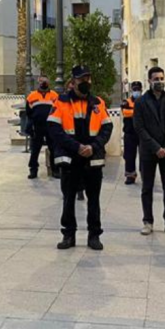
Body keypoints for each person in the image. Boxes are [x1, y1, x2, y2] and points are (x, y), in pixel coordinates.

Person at [48, 65, 113, 251]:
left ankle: (94, 236)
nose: (86, 82)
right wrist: (77, 147)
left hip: (93, 160)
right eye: (82, 79)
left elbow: (107, 128)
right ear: (73, 81)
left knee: (94, 200)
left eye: (88, 78)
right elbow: (54, 130)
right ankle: (68, 235)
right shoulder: (60, 102)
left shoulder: (98, 103)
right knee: (68, 200)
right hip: (71, 160)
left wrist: (93, 146)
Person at [134, 67, 165, 237]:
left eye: (162, 78)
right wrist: (156, 148)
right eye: (156, 79)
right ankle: (148, 221)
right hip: (149, 152)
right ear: (149, 81)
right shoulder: (140, 102)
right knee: (147, 188)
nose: (159, 81)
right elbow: (139, 128)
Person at [26, 75, 60, 179]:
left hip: (51, 126)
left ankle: (55, 170)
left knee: (53, 149)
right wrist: (31, 125)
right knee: (35, 150)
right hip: (38, 127)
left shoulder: (54, 95)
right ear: (38, 82)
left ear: (48, 82)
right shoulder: (31, 96)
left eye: (45, 80)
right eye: (41, 81)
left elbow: (58, 110)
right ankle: (33, 170)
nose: (43, 82)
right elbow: (29, 112)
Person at [120, 81, 143, 185]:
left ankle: (145, 174)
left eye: (138, 89)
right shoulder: (126, 101)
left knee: (144, 156)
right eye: (134, 89)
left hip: (143, 134)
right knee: (129, 156)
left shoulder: (145, 101)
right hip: (130, 133)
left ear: (141, 90)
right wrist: (138, 112)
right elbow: (125, 113)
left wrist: (133, 111)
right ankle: (130, 176)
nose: (136, 91)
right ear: (131, 90)